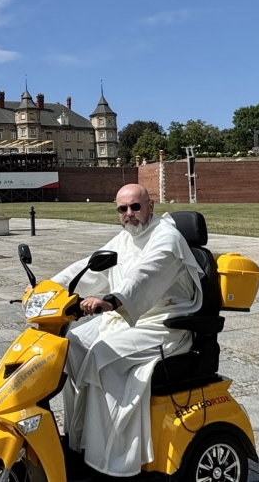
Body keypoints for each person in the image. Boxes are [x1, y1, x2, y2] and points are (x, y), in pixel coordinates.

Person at [48, 184, 205, 479]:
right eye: (123, 209)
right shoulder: (125, 238)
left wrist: (111, 300)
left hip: (166, 325)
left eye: (135, 207)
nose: (129, 214)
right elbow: (91, 266)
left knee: (102, 356)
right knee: (71, 342)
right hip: (127, 318)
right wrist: (50, 288)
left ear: (151, 206)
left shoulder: (167, 239)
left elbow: (143, 278)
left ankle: (109, 457)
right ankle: (78, 439)